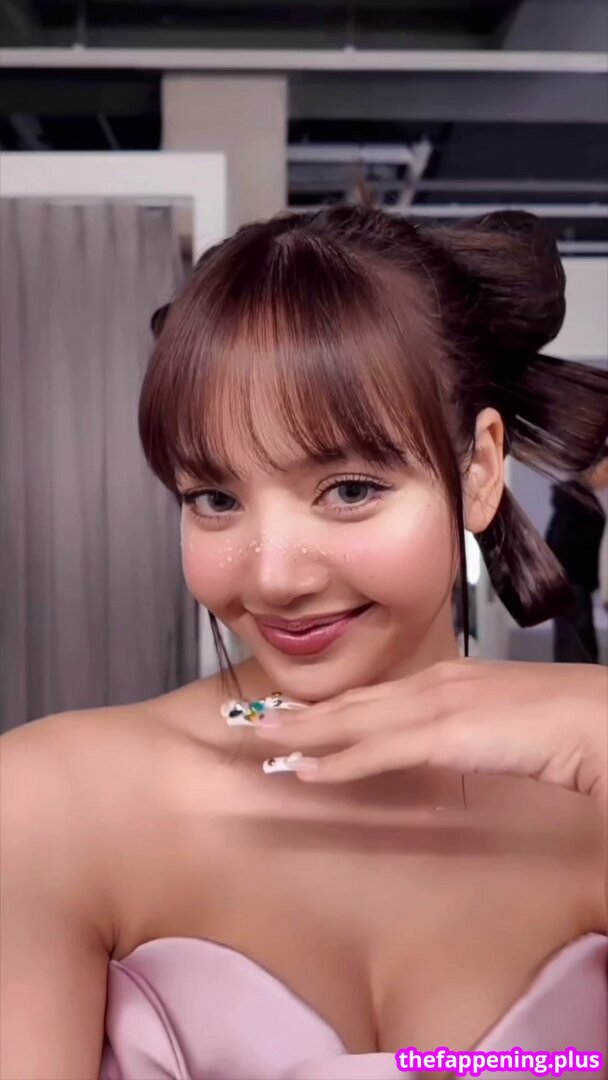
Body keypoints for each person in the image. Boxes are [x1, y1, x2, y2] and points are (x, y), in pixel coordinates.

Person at [1, 207, 607, 1080]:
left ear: (479, 471)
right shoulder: (48, 807)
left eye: (349, 489)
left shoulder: (590, 800)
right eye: (215, 499)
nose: (275, 576)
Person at [545, 450, 608, 663]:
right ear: (592, 470)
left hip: (573, 588)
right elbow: (560, 545)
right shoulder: (578, 503)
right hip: (573, 589)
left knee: (577, 651)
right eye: (607, 470)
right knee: (578, 654)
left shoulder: (575, 501)